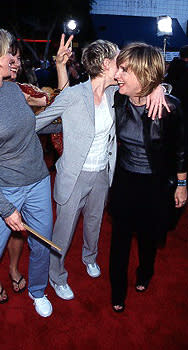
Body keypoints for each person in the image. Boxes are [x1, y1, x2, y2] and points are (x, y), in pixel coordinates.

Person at [0, 27, 71, 347]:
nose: (13, 57)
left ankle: (37, 291)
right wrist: (6, 209)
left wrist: (62, 122)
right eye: (8, 52)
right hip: (3, 191)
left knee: (41, 245)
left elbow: (29, 126)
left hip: (37, 181)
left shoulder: (10, 89)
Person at [35, 39, 169, 301]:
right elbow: (39, 122)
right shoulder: (74, 95)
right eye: (119, 60)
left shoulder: (115, 94)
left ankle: (89, 257)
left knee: (94, 223)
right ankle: (56, 275)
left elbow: (143, 85)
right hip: (74, 175)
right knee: (64, 230)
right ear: (107, 64)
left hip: (102, 174)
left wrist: (160, 88)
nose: (122, 68)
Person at [109, 42, 187, 313]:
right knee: (119, 237)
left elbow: (180, 148)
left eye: (124, 70)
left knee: (148, 236)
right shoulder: (117, 98)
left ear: (143, 74)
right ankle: (117, 289)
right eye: (119, 68)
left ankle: (145, 272)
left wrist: (182, 184)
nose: (117, 74)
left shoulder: (169, 107)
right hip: (124, 180)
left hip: (155, 183)